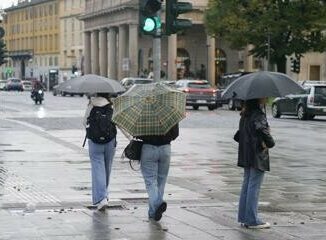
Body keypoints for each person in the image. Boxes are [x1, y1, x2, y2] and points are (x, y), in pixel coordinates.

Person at [234, 98, 275, 229]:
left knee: (247, 185)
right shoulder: (258, 114)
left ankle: (244, 217)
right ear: (258, 99)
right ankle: (252, 219)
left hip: (246, 154)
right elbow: (262, 130)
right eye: (264, 96)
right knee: (253, 187)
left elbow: (238, 135)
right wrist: (270, 141)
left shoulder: (245, 114)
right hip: (257, 154)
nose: (267, 98)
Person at [83, 93, 117, 211]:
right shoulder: (111, 106)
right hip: (110, 142)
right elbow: (117, 122)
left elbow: (84, 122)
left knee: (98, 169)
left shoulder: (91, 105)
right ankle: (104, 196)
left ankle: (102, 198)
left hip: (95, 142)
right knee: (107, 169)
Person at [138, 123, 179, 221]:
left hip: (148, 148)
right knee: (161, 180)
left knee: (150, 181)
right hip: (165, 148)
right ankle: (153, 212)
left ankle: (158, 204)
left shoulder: (144, 113)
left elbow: (138, 134)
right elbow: (175, 134)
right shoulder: (169, 111)